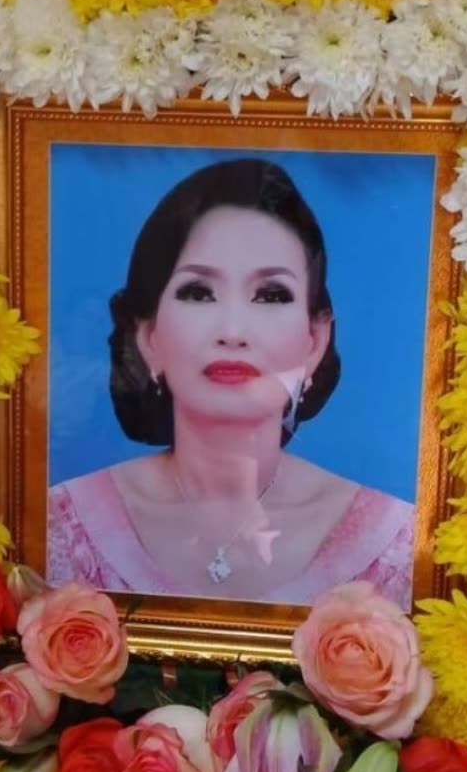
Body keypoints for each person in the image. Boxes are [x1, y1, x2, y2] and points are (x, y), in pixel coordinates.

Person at [47, 158, 413, 606]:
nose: (233, 331)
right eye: (199, 293)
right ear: (149, 338)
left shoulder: (396, 546)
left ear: (315, 341)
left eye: (271, 295)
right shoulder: (61, 528)